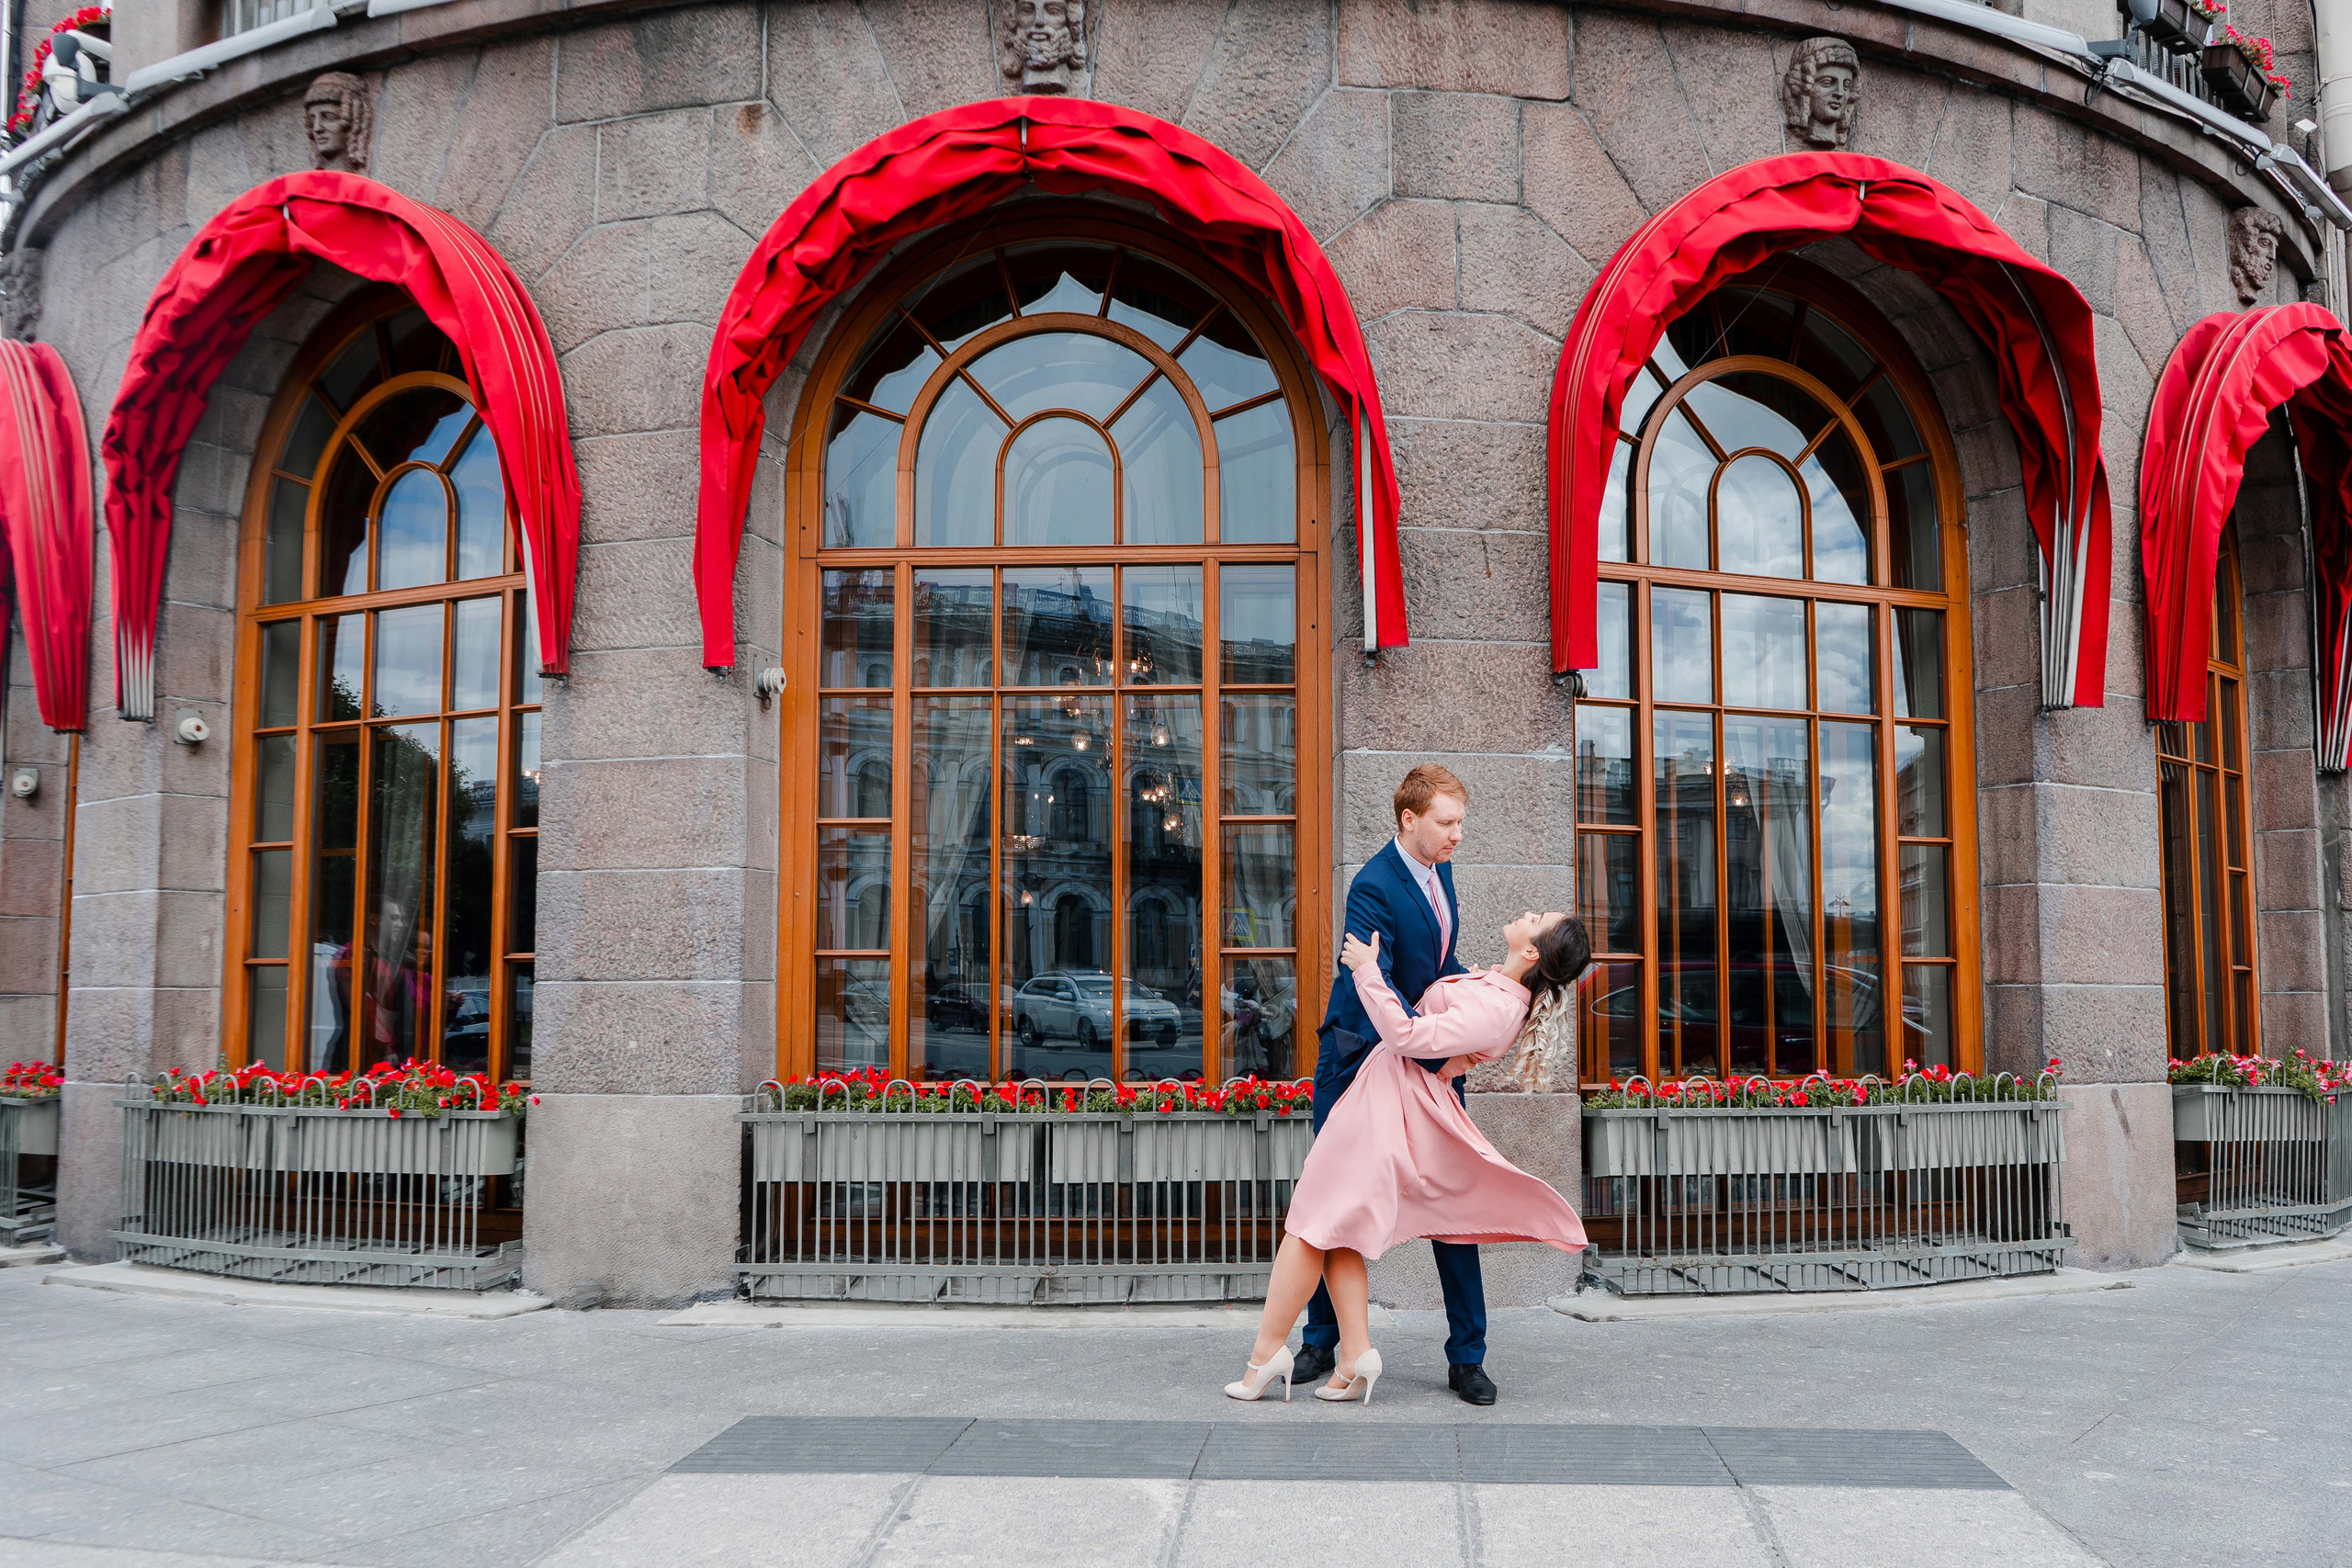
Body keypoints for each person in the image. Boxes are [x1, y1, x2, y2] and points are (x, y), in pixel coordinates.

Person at [1224, 911, 1592, 1404]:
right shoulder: (1497, 988)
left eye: (1537, 918)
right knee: (1334, 1229)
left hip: (1389, 1101)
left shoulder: (1498, 1007)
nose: (1527, 913)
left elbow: (1406, 1035)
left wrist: (1367, 970)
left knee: (1308, 1222)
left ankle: (1265, 1358)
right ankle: (1355, 1358)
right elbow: (1436, 1033)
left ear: (1532, 951)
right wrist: (1447, 1053)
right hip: (1387, 1093)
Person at [1295, 765, 1498, 1402]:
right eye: (1445, 822)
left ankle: (1468, 1356)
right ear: (1408, 819)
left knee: (1456, 1204)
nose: (1456, 835)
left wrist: (1482, 996)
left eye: (1460, 822)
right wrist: (1437, 1047)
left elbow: (1435, 965)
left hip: (1425, 1054)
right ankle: (1319, 1339)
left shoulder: (1440, 870)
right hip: (1359, 1059)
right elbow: (1373, 980)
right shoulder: (1372, 885)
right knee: (1332, 1204)